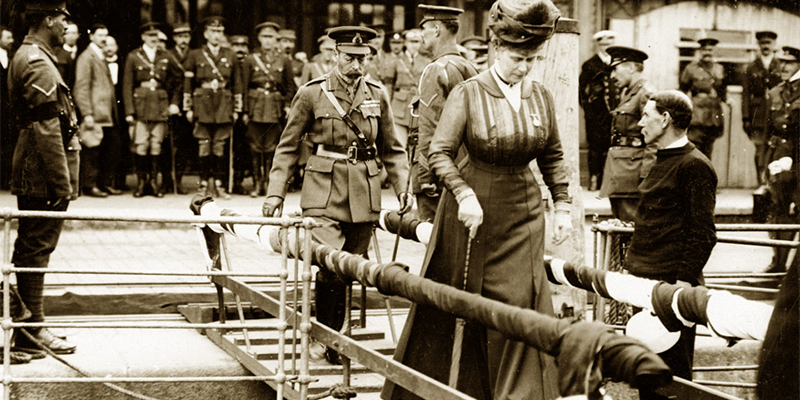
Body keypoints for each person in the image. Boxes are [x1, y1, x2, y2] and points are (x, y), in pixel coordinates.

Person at [383, 0, 571, 398]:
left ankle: (520, 393)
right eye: (518, 58)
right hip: (473, 210)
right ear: (497, 50)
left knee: (522, 304)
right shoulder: (469, 93)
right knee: (466, 303)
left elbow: (553, 155)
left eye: (531, 60)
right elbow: (439, 151)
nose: (523, 68)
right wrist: (463, 193)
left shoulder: (540, 95)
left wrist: (563, 204)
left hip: (524, 212)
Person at [262, 26, 412, 365]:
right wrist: (276, 193)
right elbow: (286, 148)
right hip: (323, 191)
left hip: (365, 190)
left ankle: (336, 338)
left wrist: (404, 188)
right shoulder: (312, 93)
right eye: (350, 58)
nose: (356, 65)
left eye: (362, 59)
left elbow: (393, 149)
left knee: (350, 270)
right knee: (328, 265)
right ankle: (324, 339)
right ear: (335, 55)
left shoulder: (377, 93)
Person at [625, 90, 717, 400]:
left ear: (665, 119)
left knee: (672, 382)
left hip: (669, 291)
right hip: (647, 286)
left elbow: (702, 233)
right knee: (648, 377)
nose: (640, 123)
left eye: (646, 117)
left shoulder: (694, 165)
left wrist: (679, 289)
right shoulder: (663, 158)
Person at [8, 0, 80, 355]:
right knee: (36, 249)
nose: (67, 23)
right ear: (48, 19)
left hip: (36, 166)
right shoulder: (37, 61)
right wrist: (61, 182)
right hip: (42, 169)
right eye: (63, 17)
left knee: (33, 248)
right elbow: (48, 128)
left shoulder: (32, 54)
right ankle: (31, 330)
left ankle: (30, 328)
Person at [413, 4, 478, 222]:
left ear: (437, 30)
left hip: (438, 174)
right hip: (465, 169)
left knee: (434, 243)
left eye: (425, 29)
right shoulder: (469, 67)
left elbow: (429, 127)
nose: (422, 34)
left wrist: (424, 176)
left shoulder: (435, 70)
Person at [182, 16, 243, 198]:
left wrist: (237, 108)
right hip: (202, 103)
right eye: (213, 32)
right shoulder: (195, 54)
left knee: (219, 146)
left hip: (223, 103)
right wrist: (188, 108)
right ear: (206, 34)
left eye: (219, 32)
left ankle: (218, 184)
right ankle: (202, 186)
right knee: (203, 145)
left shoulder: (230, 54)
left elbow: (237, 83)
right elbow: (188, 83)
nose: (217, 35)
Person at [123, 22, 184, 198]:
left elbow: (179, 78)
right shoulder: (134, 56)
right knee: (141, 145)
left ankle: (154, 182)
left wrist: (174, 102)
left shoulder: (166, 55)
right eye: (150, 36)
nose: (154, 39)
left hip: (160, 107)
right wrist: (129, 111)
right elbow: (127, 85)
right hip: (140, 107)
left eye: (156, 36)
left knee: (156, 145)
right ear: (143, 37)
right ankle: (142, 183)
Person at [599, 46, 656, 221]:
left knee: (630, 225)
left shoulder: (645, 94)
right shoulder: (629, 93)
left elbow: (654, 139)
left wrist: (646, 175)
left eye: (616, 69)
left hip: (633, 172)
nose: (612, 76)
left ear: (630, 68)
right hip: (621, 171)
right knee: (620, 224)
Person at [241, 22, 297, 198]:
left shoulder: (284, 60)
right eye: (265, 37)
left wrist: (287, 106)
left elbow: (289, 87)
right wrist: (244, 110)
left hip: (274, 107)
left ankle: (269, 185)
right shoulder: (250, 59)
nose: (268, 41)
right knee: (256, 148)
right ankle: (258, 184)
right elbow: (243, 86)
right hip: (255, 107)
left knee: (272, 148)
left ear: (277, 40)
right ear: (259, 38)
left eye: (271, 37)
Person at [763, 46, 800, 274]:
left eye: (790, 62)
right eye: (782, 62)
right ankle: (778, 264)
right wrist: (764, 163)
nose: (784, 66)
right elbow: (769, 132)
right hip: (779, 158)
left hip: (798, 160)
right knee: (779, 208)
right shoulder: (776, 91)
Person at [74, 24, 122, 198]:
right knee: (92, 151)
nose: (103, 38)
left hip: (105, 113)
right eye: (100, 35)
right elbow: (81, 87)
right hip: (95, 113)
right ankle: (89, 185)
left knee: (109, 150)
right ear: (91, 36)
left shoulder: (99, 55)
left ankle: (103, 184)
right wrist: (86, 113)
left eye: (106, 35)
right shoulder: (87, 57)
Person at [579, 30, 618, 191]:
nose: (606, 47)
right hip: (595, 115)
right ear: (598, 45)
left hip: (614, 114)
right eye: (603, 44)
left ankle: (606, 181)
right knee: (595, 147)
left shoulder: (617, 63)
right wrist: (588, 109)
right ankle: (594, 180)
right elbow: (581, 91)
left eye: (609, 44)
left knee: (611, 146)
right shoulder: (590, 65)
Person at [743, 31, 782, 187]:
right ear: (758, 45)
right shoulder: (751, 67)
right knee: (759, 150)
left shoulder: (780, 65)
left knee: (775, 149)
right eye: (763, 43)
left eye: (769, 43)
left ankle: (773, 184)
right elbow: (746, 94)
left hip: (777, 113)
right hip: (757, 115)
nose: (765, 46)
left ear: (774, 45)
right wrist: (746, 117)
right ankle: (761, 183)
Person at [680, 37, 726, 159]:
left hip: (713, 114)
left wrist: (728, 100)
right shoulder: (691, 68)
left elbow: (722, 91)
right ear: (700, 51)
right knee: (695, 147)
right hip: (698, 113)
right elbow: (683, 89)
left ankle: (705, 176)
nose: (707, 53)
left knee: (708, 148)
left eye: (710, 50)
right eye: (704, 50)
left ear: (715, 51)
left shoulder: (719, 69)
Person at [384, 29, 430, 148]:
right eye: (411, 42)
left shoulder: (427, 61)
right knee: (399, 143)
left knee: (416, 145)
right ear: (405, 43)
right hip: (399, 106)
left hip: (418, 106)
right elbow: (389, 85)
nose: (413, 45)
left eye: (417, 42)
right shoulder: (396, 60)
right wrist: (387, 104)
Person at [166, 23, 195, 194]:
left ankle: (179, 179)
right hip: (171, 105)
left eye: (186, 37)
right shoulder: (168, 55)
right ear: (175, 38)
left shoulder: (195, 55)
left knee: (185, 146)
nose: (183, 40)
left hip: (189, 107)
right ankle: (168, 181)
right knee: (167, 146)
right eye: (180, 37)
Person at [228, 34, 252, 195]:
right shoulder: (229, 63)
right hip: (229, 110)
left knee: (244, 149)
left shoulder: (250, 63)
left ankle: (239, 180)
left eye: (243, 45)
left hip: (248, 111)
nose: (240, 48)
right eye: (236, 45)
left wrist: (245, 110)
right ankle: (228, 181)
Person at [1, 25, 15, 191]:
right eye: (7, 38)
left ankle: (5, 180)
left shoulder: (11, 56)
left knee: (7, 143)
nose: (11, 41)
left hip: (7, 109)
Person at [52, 20, 77, 88]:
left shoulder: (82, 53)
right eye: (68, 33)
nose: (71, 36)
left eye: (74, 33)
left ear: (78, 35)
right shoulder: (56, 53)